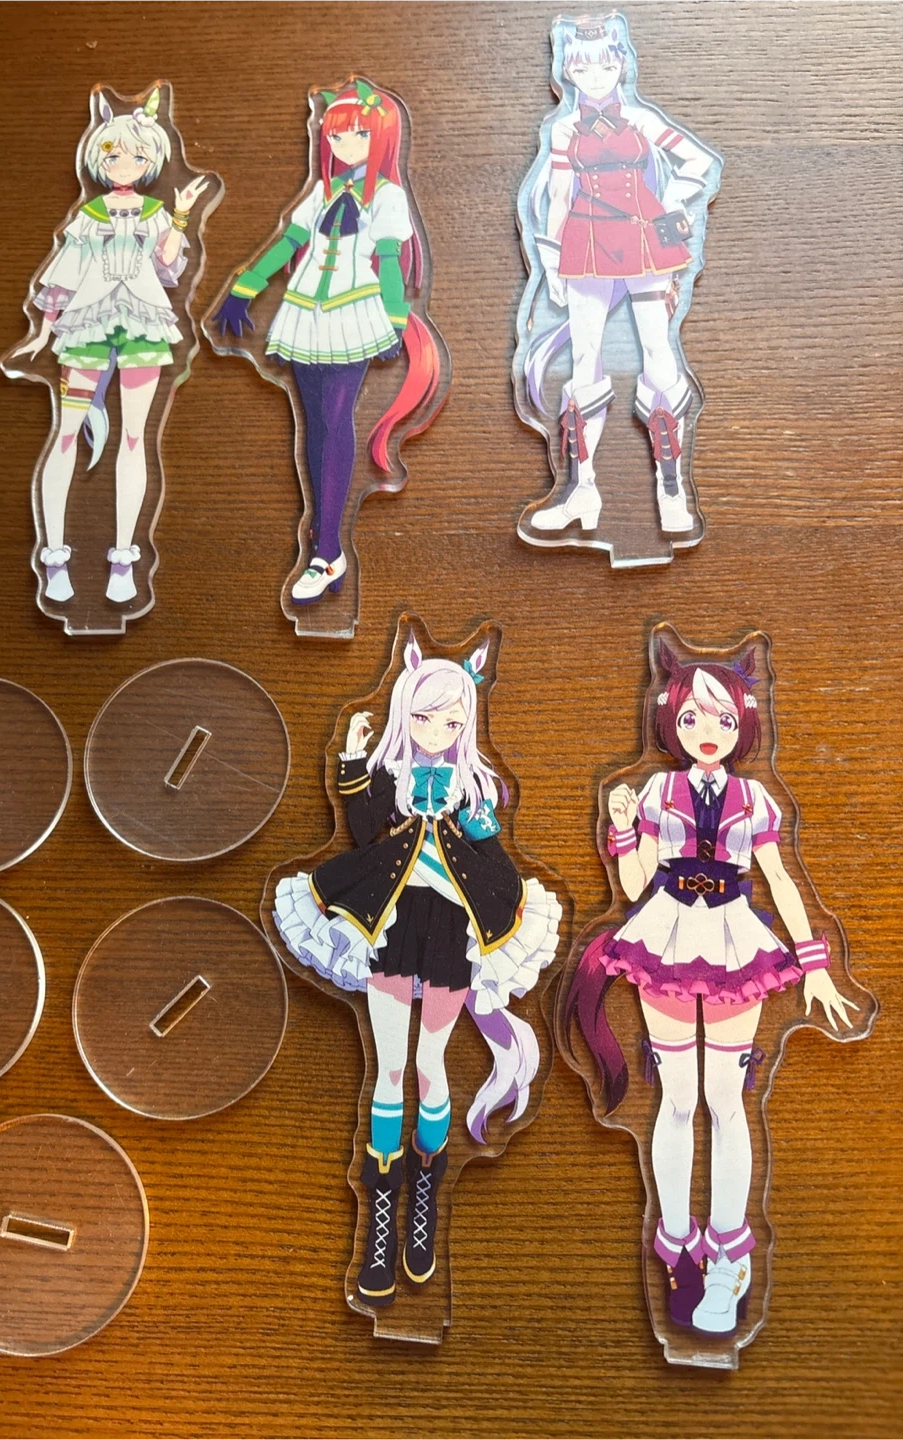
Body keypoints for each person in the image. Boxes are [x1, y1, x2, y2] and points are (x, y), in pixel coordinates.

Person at [566, 645, 857, 1337]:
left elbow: (779, 878)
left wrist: (814, 964)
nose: (706, 730)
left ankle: (727, 1250)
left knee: (726, 1101)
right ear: (671, 719)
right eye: (692, 715)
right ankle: (677, 1244)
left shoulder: (753, 798)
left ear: (742, 726)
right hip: (665, 935)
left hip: (733, 941)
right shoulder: (657, 792)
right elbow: (636, 886)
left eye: (722, 719)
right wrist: (622, 829)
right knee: (676, 1100)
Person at [274, 634, 561, 1306]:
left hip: (451, 934)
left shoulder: (471, 786)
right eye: (426, 717)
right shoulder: (393, 776)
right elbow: (363, 827)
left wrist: (504, 896)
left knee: (431, 1066)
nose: (437, 731)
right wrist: (354, 758)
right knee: (389, 1070)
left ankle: (424, 1194)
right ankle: (381, 1219)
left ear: (466, 724)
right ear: (406, 713)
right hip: (391, 924)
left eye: (452, 721)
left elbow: (488, 852)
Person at [213, 80, 441, 604]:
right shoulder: (321, 192)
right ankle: (324, 537)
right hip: (304, 315)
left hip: (353, 315)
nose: (345, 145)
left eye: (359, 135)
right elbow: (288, 243)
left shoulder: (386, 196)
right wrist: (244, 289)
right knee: (314, 428)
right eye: (336, 136)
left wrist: (393, 320)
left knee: (335, 423)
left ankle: (328, 550)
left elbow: (390, 261)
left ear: (381, 138)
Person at [520, 15, 719, 535]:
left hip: (645, 238)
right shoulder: (564, 128)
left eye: (606, 66)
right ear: (569, 72)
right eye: (584, 68)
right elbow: (558, 195)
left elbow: (698, 162)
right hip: (585, 242)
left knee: (659, 354)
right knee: (584, 361)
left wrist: (670, 201)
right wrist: (550, 260)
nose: (596, 76)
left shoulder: (640, 119)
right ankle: (582, 491)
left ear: (620, 65)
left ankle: (671, 491)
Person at [12, 87, 208, 604]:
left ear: (151, 162)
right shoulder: (89, 216)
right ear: (98, 158)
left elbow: (167, 266)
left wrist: (181, 215)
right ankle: (54, 557)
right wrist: (42, 331)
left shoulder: (154, 212)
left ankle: (123, 560)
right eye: (114, 154)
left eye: (137, 157)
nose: (125, 164)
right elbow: (64, 274)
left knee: (135, 438)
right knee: (65, 434)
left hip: (143, 323)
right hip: (88, 327)